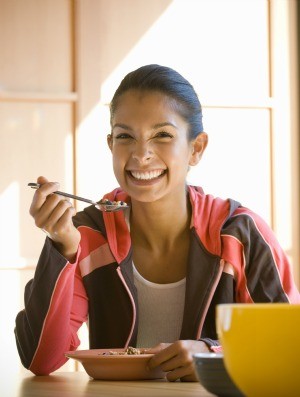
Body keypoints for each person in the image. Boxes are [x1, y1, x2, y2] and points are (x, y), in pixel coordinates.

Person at [15, 64, 300, 382]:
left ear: (196, 148)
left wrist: (214, 356)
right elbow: (41, 360)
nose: (140, 154)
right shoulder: (85, 234)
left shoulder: (241, 235)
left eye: (162, 135)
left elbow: (288, 346)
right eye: (125, 136)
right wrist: (62, 248)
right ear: (111, 145)